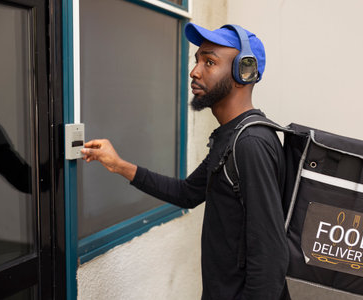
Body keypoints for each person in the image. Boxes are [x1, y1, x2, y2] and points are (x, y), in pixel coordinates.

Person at [81, 23, 290, 300]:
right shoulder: (231, 137)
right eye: (198, 60)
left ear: (244, 72)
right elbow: (187, 193)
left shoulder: (250, 144)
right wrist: (118, 165)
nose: (195, 71)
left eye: (210, 62)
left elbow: (271, 259)